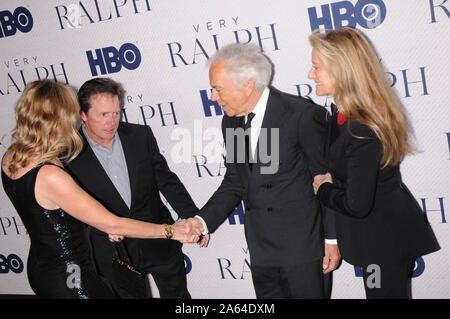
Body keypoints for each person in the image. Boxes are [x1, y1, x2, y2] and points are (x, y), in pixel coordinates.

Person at [1, 80, 199, 299]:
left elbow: (42, 210)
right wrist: (171, 231)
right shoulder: (54, 169)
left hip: (42, 267)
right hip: (73, 277)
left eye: (116, 113)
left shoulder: (12, 157)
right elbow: (112, 222)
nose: (111, 121)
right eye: (71, 115)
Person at [188, 43, 340, 299]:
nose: (213, 97)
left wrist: (332, 240)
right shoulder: (232, 120)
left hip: (303, 250)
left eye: (218, 89)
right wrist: (202, 222)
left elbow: (325, 179)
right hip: (261, 252)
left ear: (247, 85)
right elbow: (236, 181)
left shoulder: (300, 115)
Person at [309, 27, 440, 299]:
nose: (310, 75)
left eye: (316, 67)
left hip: (384, 243)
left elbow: (356, 204)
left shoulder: (362, 126)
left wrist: (322, 189)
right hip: (374, 240)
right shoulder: (344, 115)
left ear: (342, 70)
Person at [64, 77, 200, 299]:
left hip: (160, 242)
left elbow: (166, 181)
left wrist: (194, 219)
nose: (112, 122)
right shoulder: (69, 155)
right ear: (83, 115)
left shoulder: (140, 135)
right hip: (112, 254)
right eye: (103, 115)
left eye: (116, 113)